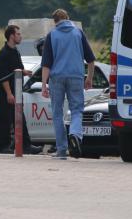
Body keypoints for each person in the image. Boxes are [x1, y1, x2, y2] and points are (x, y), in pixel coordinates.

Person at [41, 8, 96, 160]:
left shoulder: (51, 35)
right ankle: (75, 134)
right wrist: (89, 78)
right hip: (76, 76)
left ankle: (61, 150)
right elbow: (91, 59)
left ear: (55, 22)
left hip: (56, 78)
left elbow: (46, 64)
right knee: (77, 110)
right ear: (68, 18)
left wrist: (43, 84)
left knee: (57, 113)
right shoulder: (78, 33)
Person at [0, 25, 43, 155]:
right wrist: (9, 94)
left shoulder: (15, 51)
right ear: (11, 36)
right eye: (18, 34)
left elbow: (16, 69)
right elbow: (3, 76)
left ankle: (26, 145)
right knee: (4, 120)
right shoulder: (4, 53)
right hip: (5, 93)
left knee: (20, 119)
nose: (20, 36)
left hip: (17, 90)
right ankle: (4, 146)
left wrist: (24, 72)